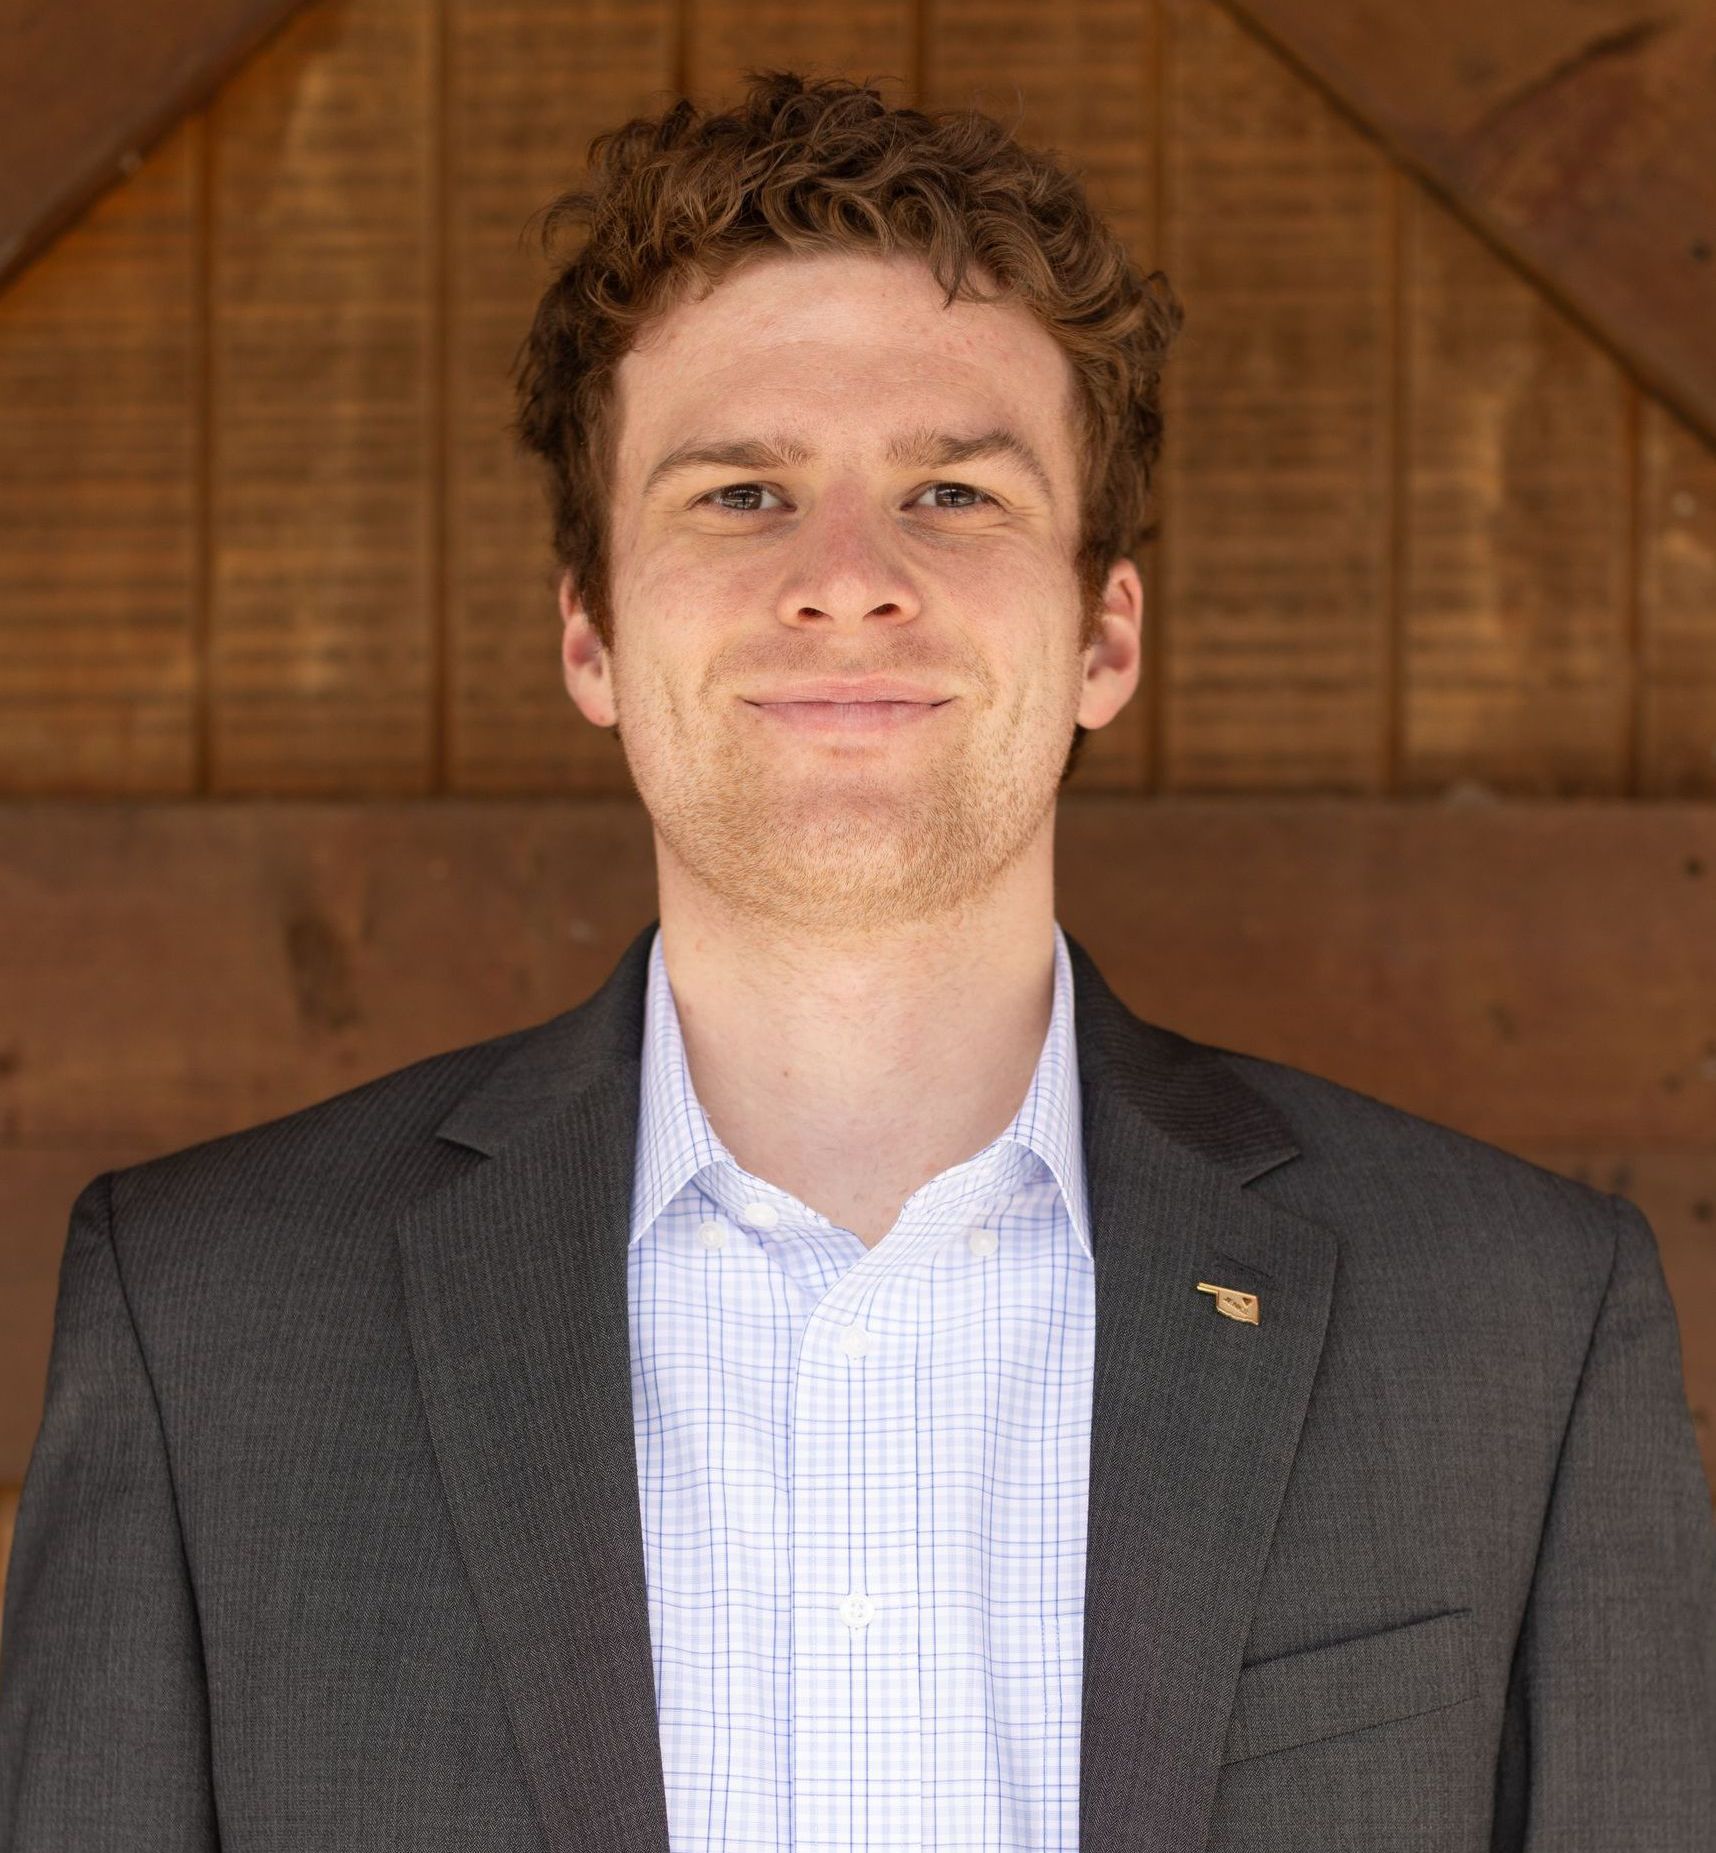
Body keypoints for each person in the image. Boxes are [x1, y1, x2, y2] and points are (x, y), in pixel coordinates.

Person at [2, 69, 1711, 1853]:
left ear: (1105, 631)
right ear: (589, 627)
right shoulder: (209, 1325)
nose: (846, 578)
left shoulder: (1516, 1324)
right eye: (741, 493)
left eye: (954, 494)